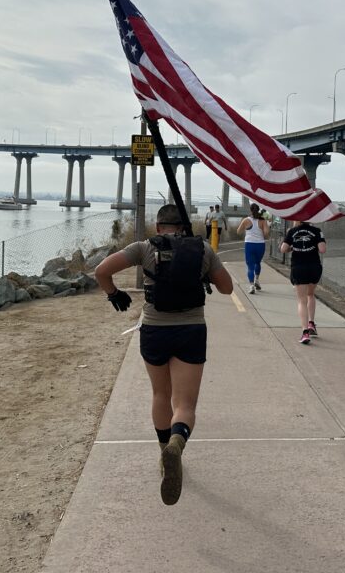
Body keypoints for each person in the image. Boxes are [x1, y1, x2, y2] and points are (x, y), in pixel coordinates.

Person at [94, 204, 234, 505]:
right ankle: (177, 443)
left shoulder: (143, 248)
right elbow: (227, 288)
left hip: (154, 330)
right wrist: (205, 272)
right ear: (183, 226)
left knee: (161, 394)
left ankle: (163, 452)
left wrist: (114, 294)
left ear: (158, 227)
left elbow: (101, 271)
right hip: (191, 330)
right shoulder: (202, 250)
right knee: (184, 404)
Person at [280, 220, 326, 345]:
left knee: (302, 300)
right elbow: (322, 249)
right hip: (314, 267)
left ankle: (305, 332)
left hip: (299, 267)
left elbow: (283, 249)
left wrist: (293, 246)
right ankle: (311, 323)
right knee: (310, 294)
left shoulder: (292, 231)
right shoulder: (317, 231)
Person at [236, 202, 269, 292]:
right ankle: (256, 280)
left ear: (250, 210)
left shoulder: (246, 220)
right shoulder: (263, 220)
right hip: (260, 245)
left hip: (249, 244)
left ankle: (251, 286)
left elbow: (238, 231)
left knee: (250, 266)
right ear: (258, 210)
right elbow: (266, 233)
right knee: (257, 263)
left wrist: (246, 229)